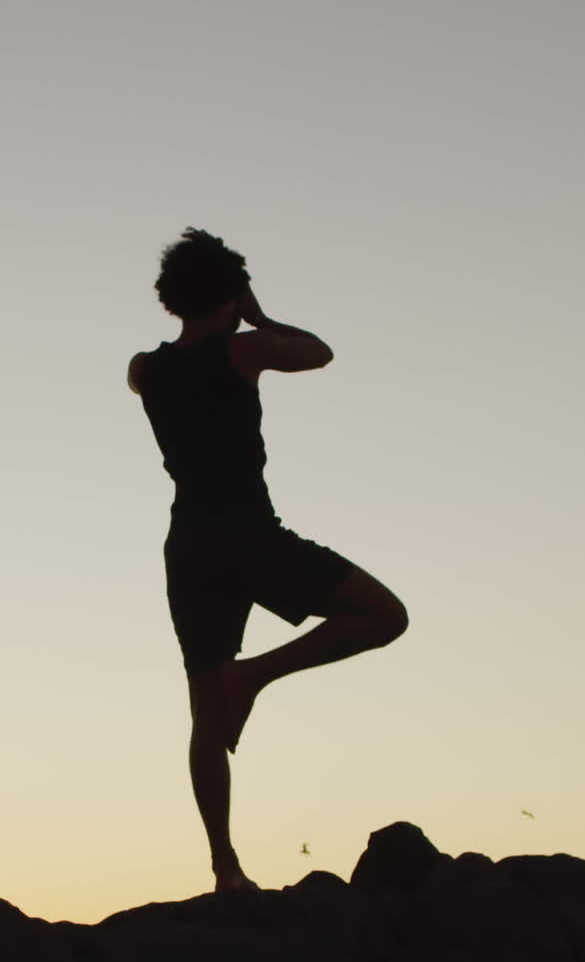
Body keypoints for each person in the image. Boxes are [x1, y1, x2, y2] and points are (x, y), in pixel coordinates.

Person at [127, 229, 408, 892]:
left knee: (203, 710)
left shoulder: (143, 368)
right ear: (231, 295)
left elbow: (168, 379)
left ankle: (226, 867)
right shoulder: (242, 350)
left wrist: (227, 310)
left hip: (187, 543)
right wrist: (257, 314)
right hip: (248, 533)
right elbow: (319, 352)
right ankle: (254, 677)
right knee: (384, 615)